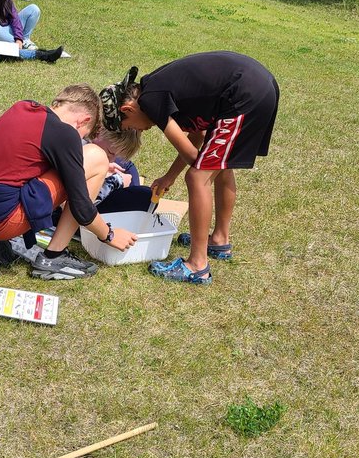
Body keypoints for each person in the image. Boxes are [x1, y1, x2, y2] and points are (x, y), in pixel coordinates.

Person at [100, 53, 280, 285]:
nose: (138, 131)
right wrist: (169, 177)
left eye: (127, 128)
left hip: (244, 93)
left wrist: (187, 174)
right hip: (255, 86)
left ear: (127, 109)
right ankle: (219, 240)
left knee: (197, 177)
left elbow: (192, 156)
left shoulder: (151, 101)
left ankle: (197, 265)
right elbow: (198, 135)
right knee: (220, 167)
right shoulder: (159, 90)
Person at [0, 88, 137, 281]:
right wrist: (109, 235)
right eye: (84, 135)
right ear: (84, 120)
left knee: (93, 161)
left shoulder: (23, 107)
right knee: (97, 157)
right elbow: (82, 207)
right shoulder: (65, 133)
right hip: (0, 221)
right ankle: (53, 257)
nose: (81, 141)